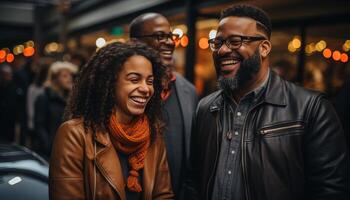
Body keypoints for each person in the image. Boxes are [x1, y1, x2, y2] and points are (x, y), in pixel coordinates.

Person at [184, 4, 350, 200]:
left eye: (235, 41)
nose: (222, 50)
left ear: (264, 48)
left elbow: (331, 189)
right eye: (218, 42)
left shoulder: (311, 108)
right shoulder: (206, 108)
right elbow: (193, 181)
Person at [49, 42, 173, 199]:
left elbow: (163, 195)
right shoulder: (74, 135)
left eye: (149, 81)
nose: (146, 89)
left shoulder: (153, 135)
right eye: (134, 80)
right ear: (109, 83)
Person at [129, 13, 197, 199]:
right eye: (160, 36)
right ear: (135, 43)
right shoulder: (120, 90)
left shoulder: (189, 91)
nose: (169, 42)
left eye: (170, 36)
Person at [34, 61, 77, 158]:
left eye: (70, 76)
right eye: (65, 76)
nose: (69, 79)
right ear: (54, 78)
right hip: (49, 152)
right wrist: (49, 147)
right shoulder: (44, 97)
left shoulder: (70, 98)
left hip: (67, 150)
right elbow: (39, 125)